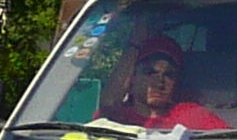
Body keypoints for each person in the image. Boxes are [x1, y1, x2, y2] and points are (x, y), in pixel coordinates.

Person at [95, 35, 229, 134]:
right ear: (133, 78)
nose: (159, 82)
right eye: (150, 73)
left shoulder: (191, 115)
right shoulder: (117, 117)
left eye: (169, 75)